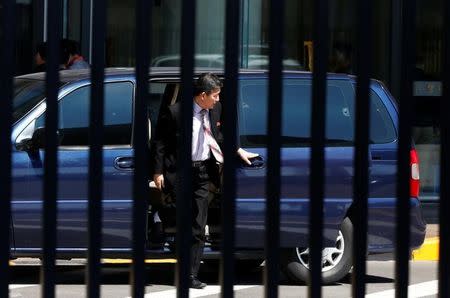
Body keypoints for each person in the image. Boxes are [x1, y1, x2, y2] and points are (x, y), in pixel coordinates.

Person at [152, 73, 258, 289]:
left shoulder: (215, 110)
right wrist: (158, 171)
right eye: (216, 96)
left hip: (203, 173)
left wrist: (237, 149)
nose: (218, 100)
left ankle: (190, 275)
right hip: (180, 174)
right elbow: (160, 143)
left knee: (198, 226)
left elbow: (219, 136)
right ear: (203, 95)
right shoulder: (176, 112)